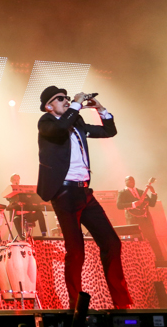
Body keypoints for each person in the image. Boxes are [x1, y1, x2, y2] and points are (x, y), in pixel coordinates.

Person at [36, 86, 132, 309]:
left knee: (111, 243)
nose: (66, 101)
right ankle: (75, 308)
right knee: (76, 251)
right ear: (49, 106)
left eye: (67, 98)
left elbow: (108, 131)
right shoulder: (46, 123)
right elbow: (60, 129)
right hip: (64, 193)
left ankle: (122, 304)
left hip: (85, 192)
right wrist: (78, 104)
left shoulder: (75, 123)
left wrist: (101, 109)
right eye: (60, 99)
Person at [116, 176, 164, 261]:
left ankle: (161, 261)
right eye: (129, 180)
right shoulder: (122, 193)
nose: (131, 181)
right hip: (133, 221)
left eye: (133, 180)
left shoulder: (141, 192)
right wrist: (133, 204)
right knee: (135, 242)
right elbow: (119, 206)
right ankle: (137, 262)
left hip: (145, 220)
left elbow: (152, 204)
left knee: (153, 240)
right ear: (125, 181)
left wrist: (153, 192)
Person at [6, 173, 48, 239]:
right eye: (15, 180)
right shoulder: (10, 192)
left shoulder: (23, 192)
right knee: (16, 219)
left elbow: (30, 202)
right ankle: (21, 237)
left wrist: (32, 209)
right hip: (19, 216)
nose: (17, 181)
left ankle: (44, 233)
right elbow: (13, 208)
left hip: (28, 214)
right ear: (11, 181)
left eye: (18, 180)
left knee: (39, 213)